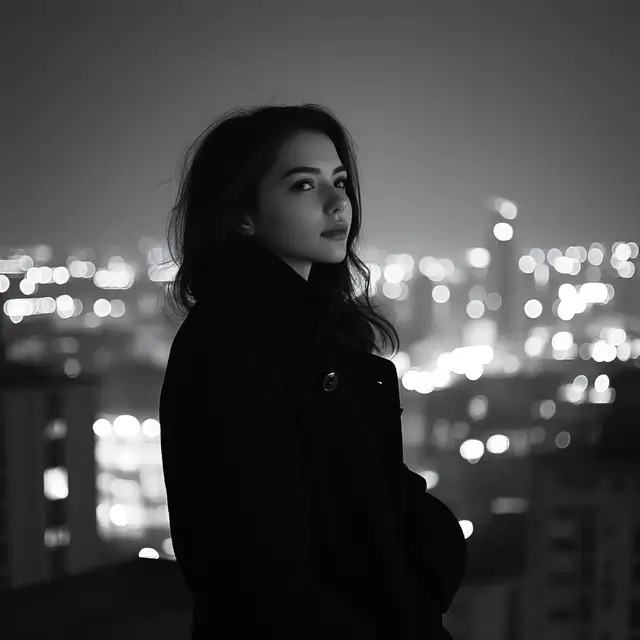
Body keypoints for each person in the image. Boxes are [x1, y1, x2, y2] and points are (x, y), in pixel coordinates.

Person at [158, 103, 467, 639]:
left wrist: (425, 571)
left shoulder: (322, 338)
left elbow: (382, 491)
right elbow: (257, 569)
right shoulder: (229, 348)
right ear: (242, 213)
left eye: (340, 181)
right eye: (303, 186)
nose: (336, 202)